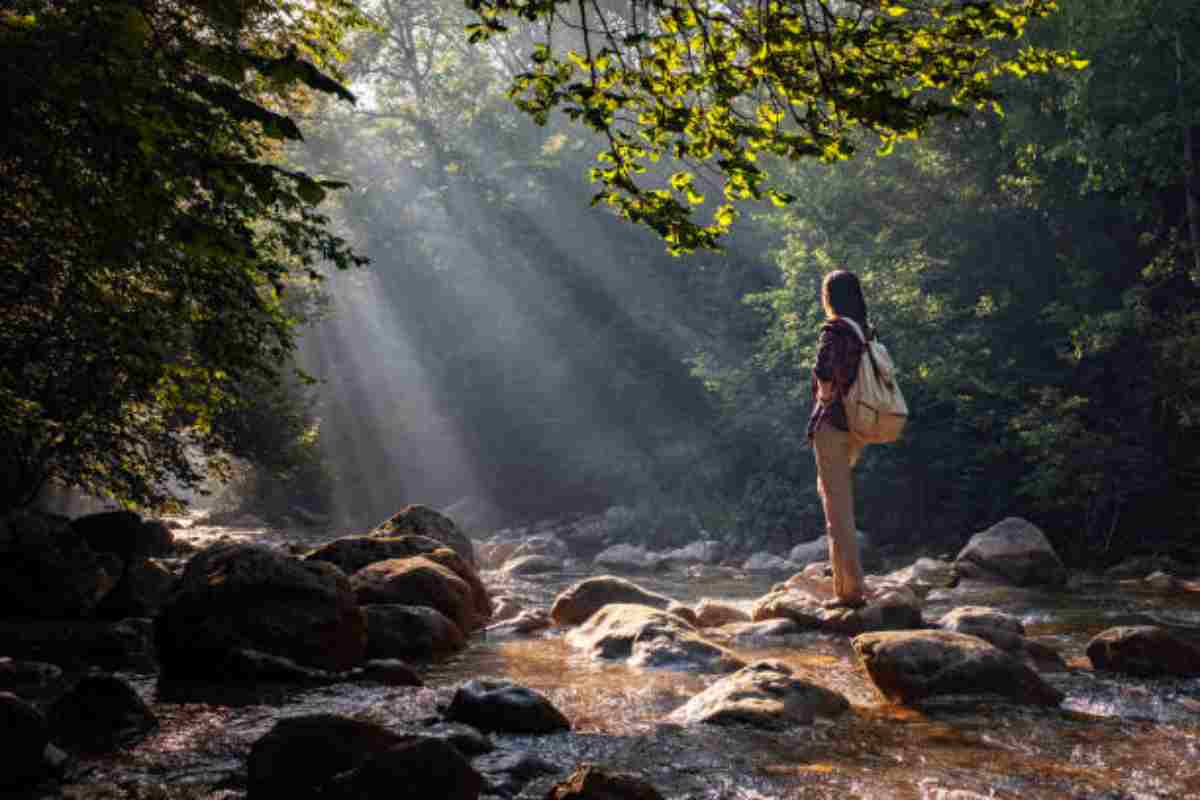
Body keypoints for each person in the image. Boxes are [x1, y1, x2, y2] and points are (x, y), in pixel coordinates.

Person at [806, 270, 870, 609]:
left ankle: (848, 591)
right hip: (856, 424)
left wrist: (825, 398)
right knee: (841, 503)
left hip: (832, 424)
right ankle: (850, 584)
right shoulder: (863, 331)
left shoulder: (834, 330)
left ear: (829, 296)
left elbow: (824, 372)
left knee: (836, 508)